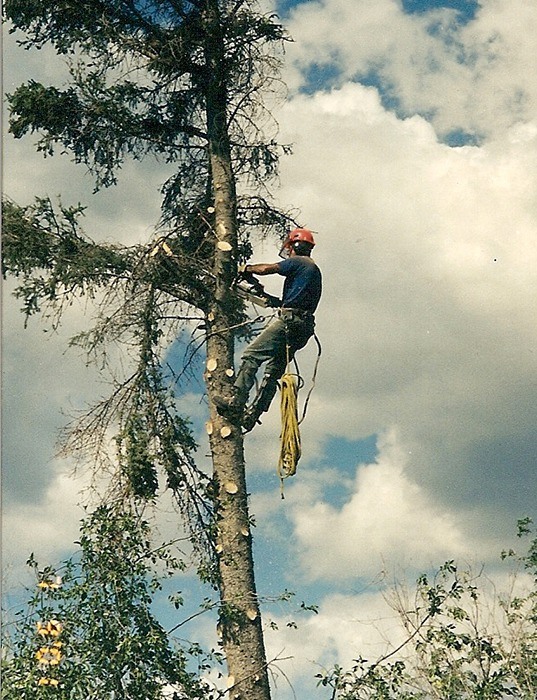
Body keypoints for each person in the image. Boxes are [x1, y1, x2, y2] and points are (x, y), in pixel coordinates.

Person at [214, 228, 322, 432]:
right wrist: (275, 301)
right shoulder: (312, 270)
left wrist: (246, 269)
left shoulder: (299, 262)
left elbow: (266, 269)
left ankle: (236, 401)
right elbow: (296, 301)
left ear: (295, 246)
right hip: (304, 328)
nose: (288, 251)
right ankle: (252, 416)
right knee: (273, 372)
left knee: (252, 355)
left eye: (290, 247)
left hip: (290, 323)